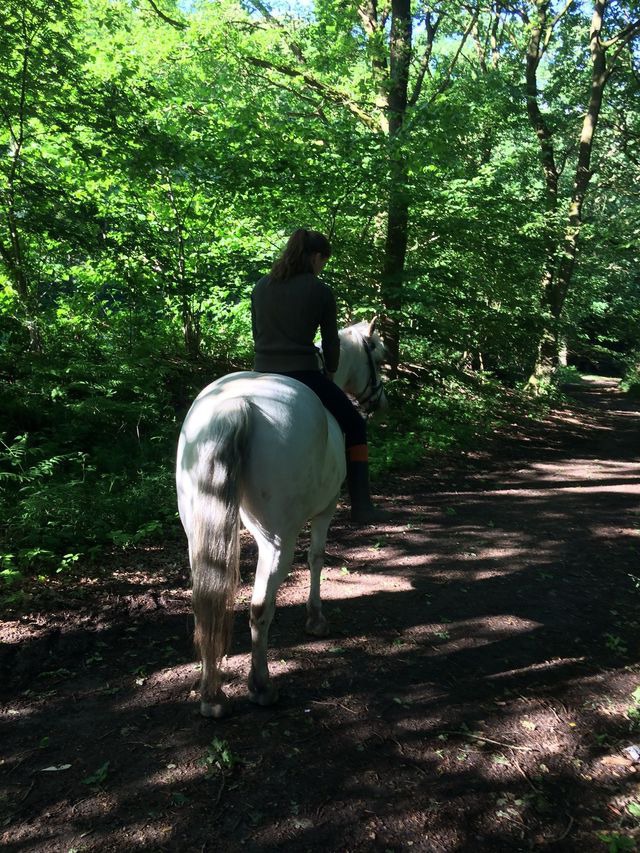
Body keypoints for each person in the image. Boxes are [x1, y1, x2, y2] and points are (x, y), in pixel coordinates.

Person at [251, 228, 389, 524]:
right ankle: (362, 505)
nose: (322, 267)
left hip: (260, 373)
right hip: (302, 373)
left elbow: (257, 334)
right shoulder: (320, 290)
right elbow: (330, 343)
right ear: (315, 257)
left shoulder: (261, 286)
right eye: (323, 261)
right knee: (355, 425)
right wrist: (331, 370)